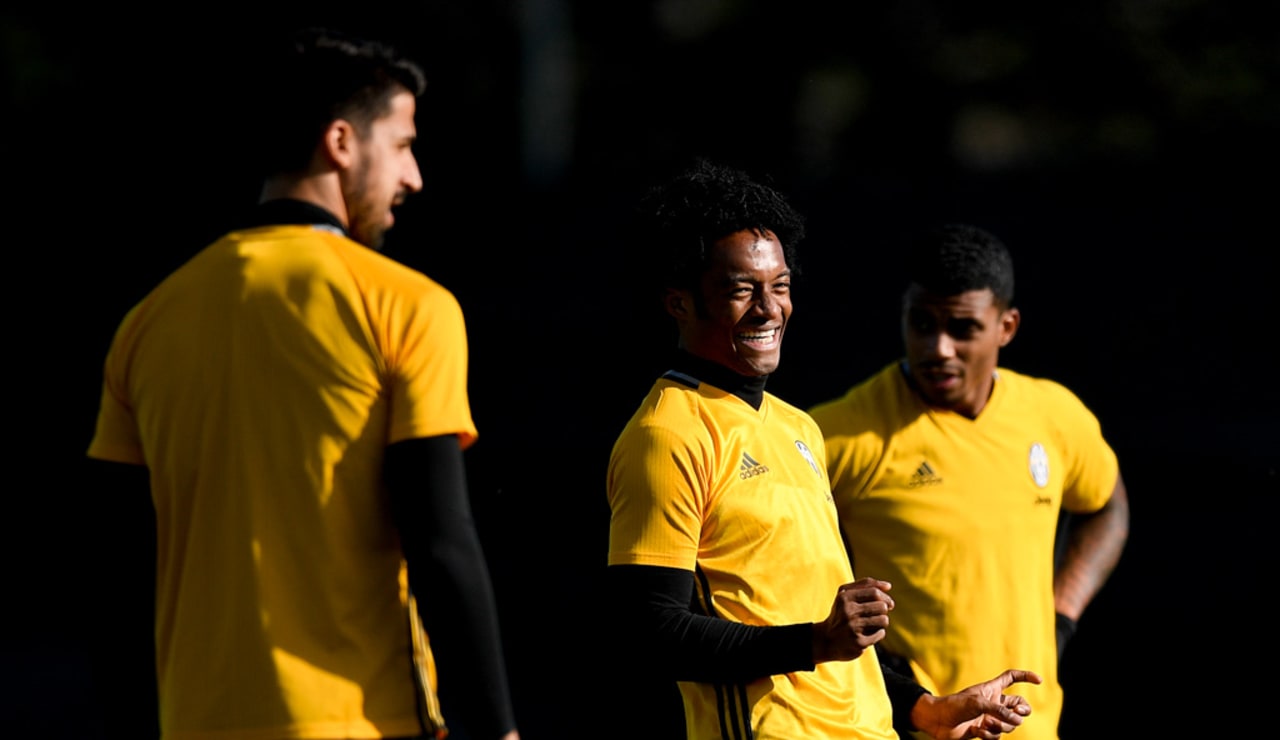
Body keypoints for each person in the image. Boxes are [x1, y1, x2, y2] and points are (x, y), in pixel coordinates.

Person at [85, 28, 520, 740]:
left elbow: (117, 571)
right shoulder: (409, 305)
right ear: (341, 141)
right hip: (363, 720)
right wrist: (497, 728)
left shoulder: (147, 322)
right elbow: (440, 540)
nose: (414, 177)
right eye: (403, 145)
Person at [605, 159, 1042, 740]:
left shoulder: (798, 427)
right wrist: (813, 642)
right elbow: (648, 631)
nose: (769, 308)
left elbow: (830, 637)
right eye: (741, 290)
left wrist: (925, 708)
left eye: (780, 286)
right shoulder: (668, 433)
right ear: (679, 303)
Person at [808, 223, 1129, 740]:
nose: (938, 347)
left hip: (1032, 727)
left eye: (962, 328)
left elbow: (1108, 504)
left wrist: (1061, 617)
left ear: (1006, 326)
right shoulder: (837, 434)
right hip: (909, 728)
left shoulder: (1053, 415)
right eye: (922, 323)